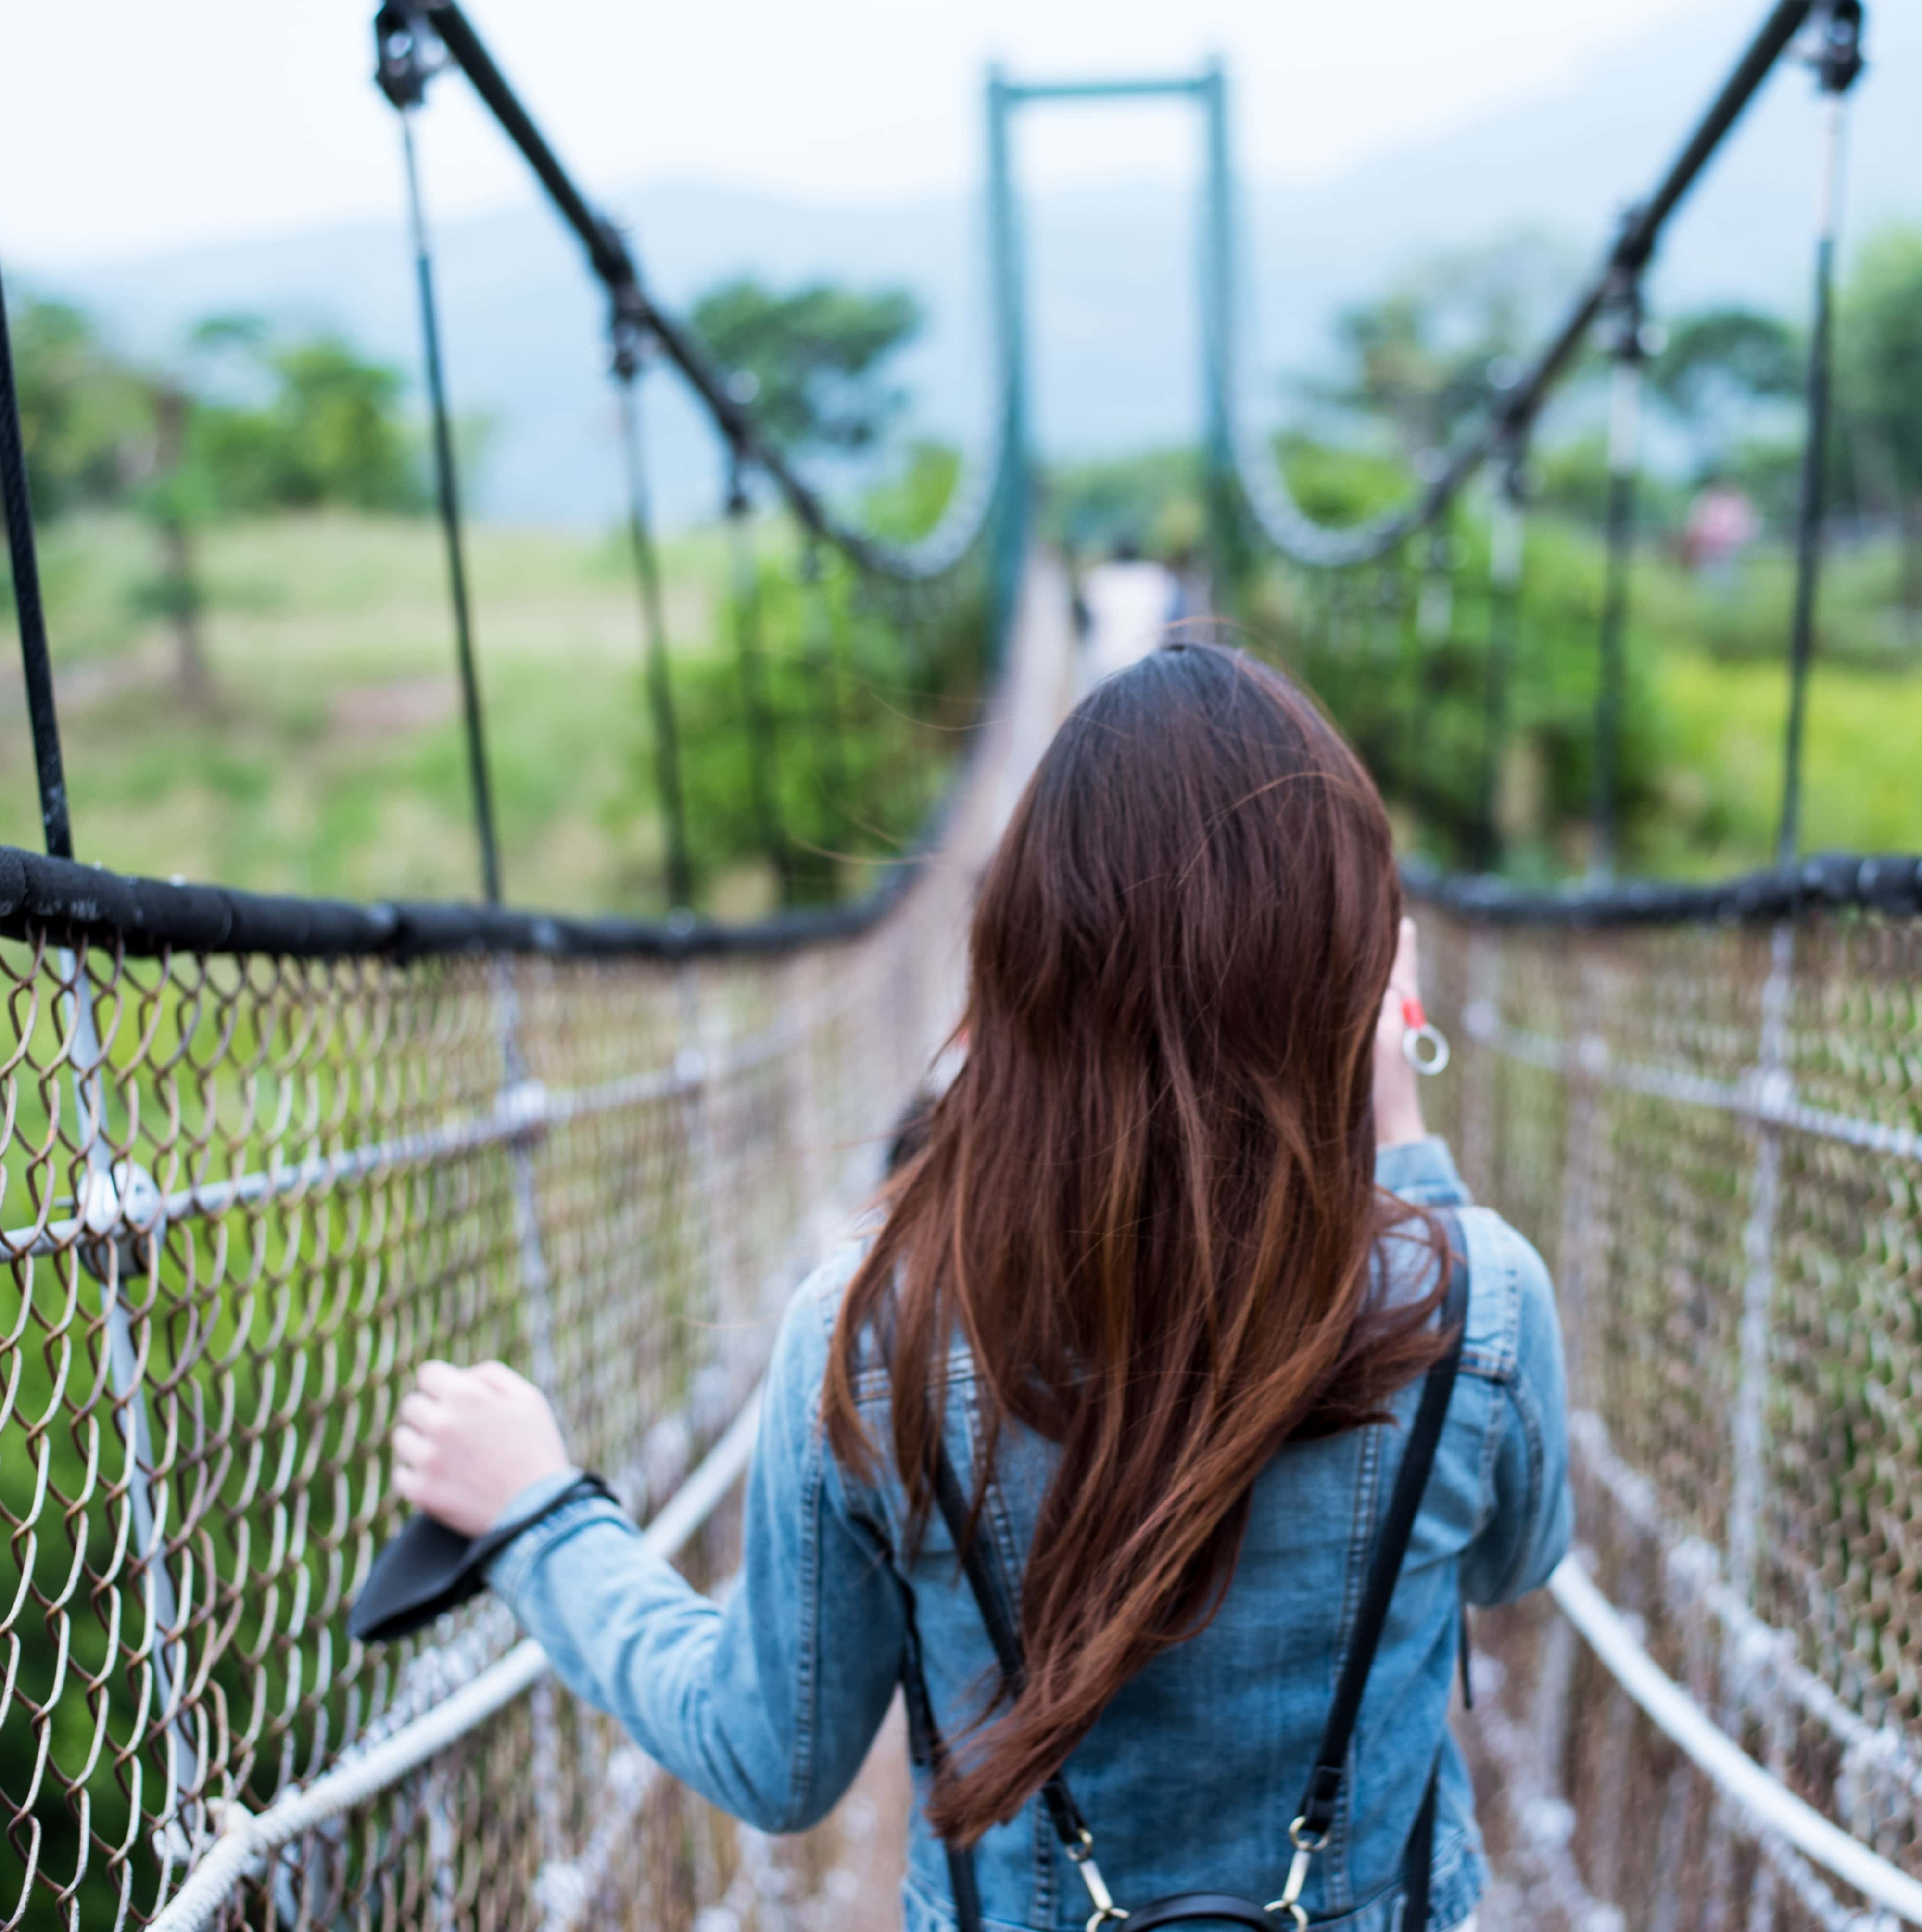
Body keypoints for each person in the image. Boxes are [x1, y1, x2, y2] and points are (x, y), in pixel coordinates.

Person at [389, 641, 1571, 1932]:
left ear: (1020, 962)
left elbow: (771, 1761)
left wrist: (539, 1520)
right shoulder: (1482, 1303)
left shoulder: (869, 1332)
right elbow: (1510, 1561)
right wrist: (1401, 1150)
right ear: (1356, 975)